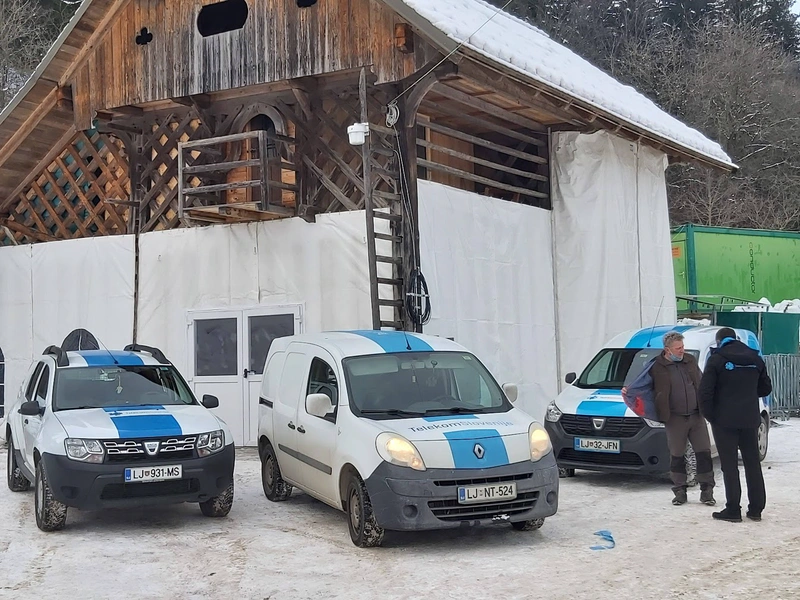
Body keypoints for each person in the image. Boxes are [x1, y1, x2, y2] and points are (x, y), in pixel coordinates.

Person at [699, 327, 772, 523]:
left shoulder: (717, 359)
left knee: (730, 466)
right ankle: (756, 509)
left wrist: (711, 416)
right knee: (752, 463)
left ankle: (733, 509)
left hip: (724, 421)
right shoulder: (755, 358)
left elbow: (705, 392)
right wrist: (747, 395)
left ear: (719, 340)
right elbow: (766, 387)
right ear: (736, 339)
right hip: (750, 419)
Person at [650, 331, 715, 506]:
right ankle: (680, 491)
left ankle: (707, 491)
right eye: (678, 348)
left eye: (682, 347)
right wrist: (629, 393)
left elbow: (701, 382)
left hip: (696, 416)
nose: (681, 351)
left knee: (704, 453)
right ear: (667, 350)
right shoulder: (658, 366)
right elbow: (642, 385)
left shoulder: (690, 361)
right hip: (674, 418)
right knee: (677, 456)